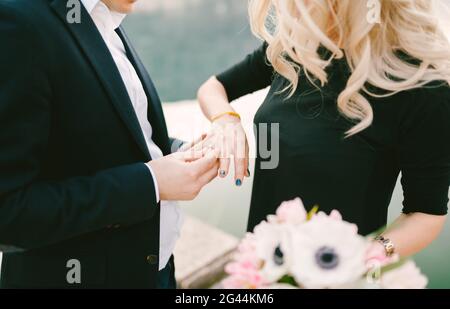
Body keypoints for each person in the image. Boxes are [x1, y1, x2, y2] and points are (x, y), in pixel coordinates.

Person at [198, 0, 450, 260]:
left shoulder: (423, 87)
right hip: (260, 267)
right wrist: (227, 122)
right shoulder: (292, 46)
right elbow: (213, 88)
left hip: (339, 275)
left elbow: (425, 214)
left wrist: (365, 256)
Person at [0, 0, 219, 288]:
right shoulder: (18, 20)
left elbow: (116, 132)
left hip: (157, 271)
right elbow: (9, 214)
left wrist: (177, 151)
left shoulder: (106, 16)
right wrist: (150, 183)